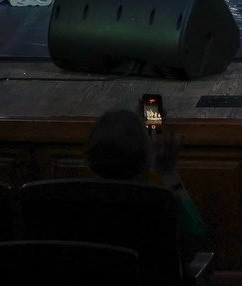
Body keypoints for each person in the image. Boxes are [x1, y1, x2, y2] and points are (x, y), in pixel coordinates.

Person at [86, 108, 210, 259]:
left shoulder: (76, 200)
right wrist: (169, 174)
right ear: (145, 159)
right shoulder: (159, 203)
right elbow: (197, 236)